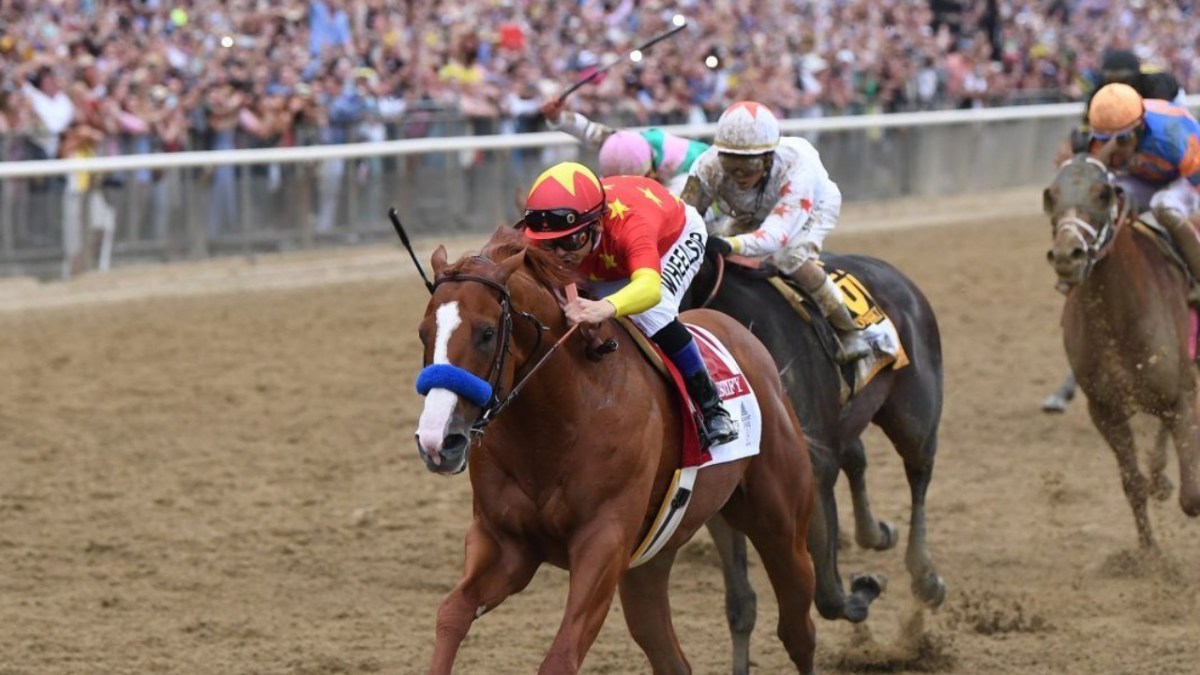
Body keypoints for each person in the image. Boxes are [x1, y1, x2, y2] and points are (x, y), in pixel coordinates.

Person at [520, 161, 738, 448]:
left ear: (596, 225)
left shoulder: (631, 224)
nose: (560, 254)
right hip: (602, 264)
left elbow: (648, 290)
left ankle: (712, 407)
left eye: (572, 240)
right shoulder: (542, 236)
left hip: (673, 241)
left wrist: (605, 307)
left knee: (651, 312)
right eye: (550, 245)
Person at [680, 100, 870, 364]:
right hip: (752, 212)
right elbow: (682, 216)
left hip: (813, 207)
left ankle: (847, 330)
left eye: (749, 165)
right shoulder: (707, 166)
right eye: (730, 163)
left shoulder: (797, 169)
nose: (738, 174)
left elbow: (775, 236)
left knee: (788, 257)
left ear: (768, 158)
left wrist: (727, 244)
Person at [1088, 83, 1200, 288]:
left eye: (1120, 139)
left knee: (1163, 206)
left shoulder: (1173, 135)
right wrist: (1114, 146)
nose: (1112, 146)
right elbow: (1093, 173)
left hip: (1183, 179)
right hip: (1144, 178)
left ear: (1139, 128)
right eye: (1104, 139)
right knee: (1102, 196)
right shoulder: (1105, 134)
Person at [539, 99, 709, 193]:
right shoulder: (627, 143)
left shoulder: (686, 175)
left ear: (651, 172)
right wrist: (558, 117)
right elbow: (587, 130)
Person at [1057, 49, 1185, 165]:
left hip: (1168, 103)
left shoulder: (1155, 83)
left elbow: (1158, 122)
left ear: (1136, 76)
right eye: (1112, 80)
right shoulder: (1101, 88)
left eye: (1123, 80)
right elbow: (1087, 124)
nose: (1118, 85)